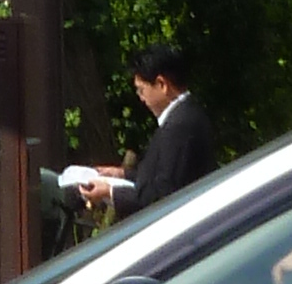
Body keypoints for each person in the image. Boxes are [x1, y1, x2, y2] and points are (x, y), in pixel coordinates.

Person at [85, 47, 222, 216]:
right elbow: (159, 179)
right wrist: (122, 175)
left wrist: (110, 192)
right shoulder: (186, 115)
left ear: (162, 84)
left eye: (141, 90)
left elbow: (163, 196)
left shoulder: (179, 127)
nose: (141, 98)